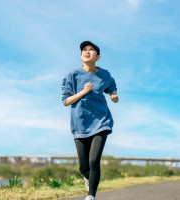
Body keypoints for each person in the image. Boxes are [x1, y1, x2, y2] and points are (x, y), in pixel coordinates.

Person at [61, 41, 119, 200]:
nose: (87, 51)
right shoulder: (72, 75)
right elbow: (66, 101)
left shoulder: (104, 74)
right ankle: (88, 178)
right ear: (81, 56)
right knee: (84, 166)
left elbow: (111, 86)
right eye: (84, 50)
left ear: (97, 56)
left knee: (94, 161)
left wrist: (113, 94)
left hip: (101, 122)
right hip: (80, 124)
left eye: (91, 50)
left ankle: (91, 195)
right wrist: (84, 91)